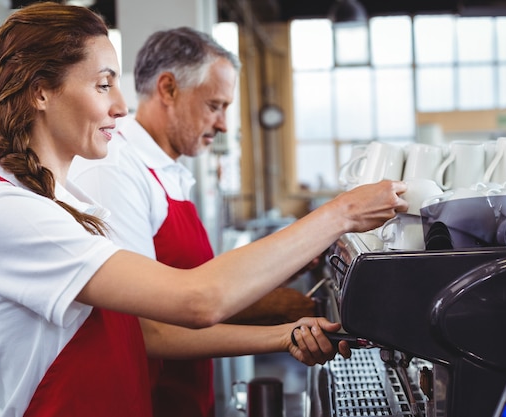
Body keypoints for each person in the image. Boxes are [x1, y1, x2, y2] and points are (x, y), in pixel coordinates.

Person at [0, 2, 408, 417]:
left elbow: (145, 321)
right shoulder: (11, 213)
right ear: (41, 93)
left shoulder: (72, 204)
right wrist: (342, 213)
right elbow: (196, 300)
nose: (120, 106)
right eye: (103, 84)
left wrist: (284, 334)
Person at [68, 26, 322, 417]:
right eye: (215, 105)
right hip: (143, 400)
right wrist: (280, 329)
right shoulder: (115, 169)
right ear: (168, 89)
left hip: (183, 395)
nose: (222, 124)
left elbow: (198, 283)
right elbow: (144, 328)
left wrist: (288, 265)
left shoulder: (170, 172)